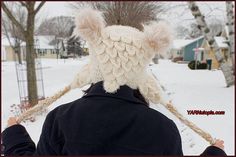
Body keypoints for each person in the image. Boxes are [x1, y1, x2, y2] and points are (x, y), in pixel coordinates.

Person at [2, 8, 227, 156]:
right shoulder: (163, 129)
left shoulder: (61, 120)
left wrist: (14, 138)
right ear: (140, 67)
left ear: (95, 63)